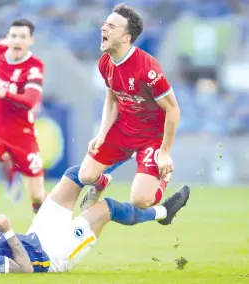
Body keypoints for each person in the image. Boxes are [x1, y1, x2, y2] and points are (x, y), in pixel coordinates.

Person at [0, 171, 190, 273]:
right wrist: (8, 231)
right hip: (50, 255)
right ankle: (163, 214)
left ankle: (90, 200)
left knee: (75, 176)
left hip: (35, 236)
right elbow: (26, 270)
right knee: (107, 209)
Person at [77, 4, 181, 211]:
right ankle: (102, 183)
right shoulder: (104, 63)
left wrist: (165, 152)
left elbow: (173, 109)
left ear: (126, 37)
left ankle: (162, 179)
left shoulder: (148, 69)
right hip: (124, 129)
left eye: (112, 26)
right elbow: (112, 100)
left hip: (151, 136)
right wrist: (102, 134)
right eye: (105, 24)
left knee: (140, 201)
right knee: (86, 176)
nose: (104, 29)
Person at [0, 19, 47, 217]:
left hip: (22, 135)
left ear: (31, 40)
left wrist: (4, 92)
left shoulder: (34, 66)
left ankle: (46, 231)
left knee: (38, 196)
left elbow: (31, 100)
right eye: (13, 36)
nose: (17, 40)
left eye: (23, 37)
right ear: (7, 38)